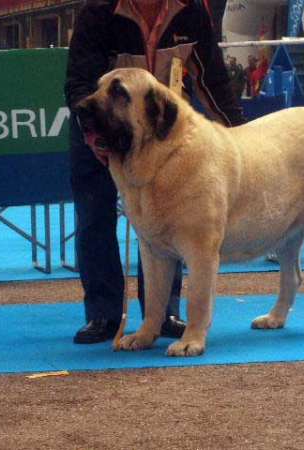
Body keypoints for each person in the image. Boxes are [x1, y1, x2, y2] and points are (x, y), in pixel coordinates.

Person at [64, 0, 245, 344]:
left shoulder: (193, 9)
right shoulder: (99, 11)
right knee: (94, 216)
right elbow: (79, 83)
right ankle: (103, 315)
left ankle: (162, 314)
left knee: (172, 221)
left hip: (164, 133)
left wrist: (239, 130)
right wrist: (94, 135)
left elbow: (212, 78)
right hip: (100, 127)